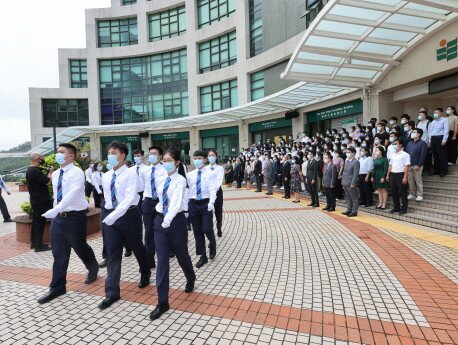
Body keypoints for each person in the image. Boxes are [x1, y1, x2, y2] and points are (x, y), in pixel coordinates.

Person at [38, 143, 99, 304]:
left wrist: (56, 208)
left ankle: (93, 267)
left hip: (75, 217)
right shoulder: (56, 173)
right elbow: (59, 196)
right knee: (59, 253)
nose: (58, 154)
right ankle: (57, 287)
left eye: (61, 152)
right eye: (57, 152)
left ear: (71, 156)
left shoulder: (77, 173)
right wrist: (55, 210)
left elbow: (72, 194)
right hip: (59, 218)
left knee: (79, 246)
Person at [99, 141, 151, 310]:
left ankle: (145, 272)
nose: (110, 155)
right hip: (111, 217)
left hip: (129, 215)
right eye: (108, 152)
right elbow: (107, 199)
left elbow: (129, 197)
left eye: (113, 152)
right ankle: (112, 292)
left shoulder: (131, 174)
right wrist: (107, 214)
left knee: (136, 246)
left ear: (122, 155)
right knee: (113, 253)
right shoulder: (106, 175)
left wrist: (114, 215)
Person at [149, 148, 196, 321]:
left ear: (177, 162)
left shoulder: (181, 180)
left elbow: (176, 202)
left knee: (182, 255)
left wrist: (168, 220)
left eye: (170, 160)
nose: (166, 163)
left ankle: (190, 277)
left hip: (175, 222)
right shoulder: (161, 179)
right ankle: (162, 303)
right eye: (164, 160)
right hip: (160, 222)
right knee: (162, 262)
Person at [186, 150, 217, 268]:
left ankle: (212, 243)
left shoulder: (210, 173)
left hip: (205, 204)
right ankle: (202, 256)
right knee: (197, 231)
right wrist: (186, 207)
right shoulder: (190, 175)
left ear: (204, 160)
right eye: (195, 158)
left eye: (199, 158)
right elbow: (187, 191)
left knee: (207, 228)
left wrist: (212, 202)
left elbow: (213, 189)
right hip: (193, 204)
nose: (197, 160)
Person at [141, 146, 167, 270]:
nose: (151, 156)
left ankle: (165, 253)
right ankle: (149, 260)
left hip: (160, 202)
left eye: (154, 154)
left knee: (161, 230)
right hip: (147, 202)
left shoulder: (165, 170)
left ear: (160, 156)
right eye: (150, 153)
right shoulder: (145, 170)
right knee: (148, 231)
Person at [26, 153, 53, 251]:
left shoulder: (30, 170)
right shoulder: (35, 171)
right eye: (42, 159)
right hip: (40, 201)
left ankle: (35, 243)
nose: (43, 160)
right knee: (39, 223)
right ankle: (38, 246)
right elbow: (48, 182)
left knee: (36, 222)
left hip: (35, 200)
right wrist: (50, 172)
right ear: (38, 159)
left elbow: (41, 181)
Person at [386, 138, 410, 214]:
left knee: (403, 192)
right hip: (393, 174)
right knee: (393, 192)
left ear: (401, 145)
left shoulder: (405, 154)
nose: (394, 145)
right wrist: (387, 175)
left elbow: (406, 166)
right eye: (394, 144)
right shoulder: (393, 155)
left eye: (396, 144)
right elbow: (390, 165)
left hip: (401, 174)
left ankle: (404, 209)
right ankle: (396, 208)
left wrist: (405, 177)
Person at [405, 128, 427, 202]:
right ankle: (412, 193)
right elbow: (406, 154)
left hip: (417, 165)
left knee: (418, 180)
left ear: (419, 134)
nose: (412, 133)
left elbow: (423, 155)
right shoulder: (409, 143)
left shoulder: (422, 143)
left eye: (414, 132)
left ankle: (420, 194)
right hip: (409, 165)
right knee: (410, 180)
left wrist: (419, 164)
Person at [208, 150, 224, 238]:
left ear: (216, 157)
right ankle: (211, 231)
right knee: (209, 212)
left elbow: (219, 180)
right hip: (208, 194)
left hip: (217, 192)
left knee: (218, 212)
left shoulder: (220, 168)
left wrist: (214, 190)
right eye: (209, 155)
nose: (211, 157)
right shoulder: (205, 168)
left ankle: (219, 229)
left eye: (213, 155)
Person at [428, 108, 449, 177]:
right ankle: (436, 170)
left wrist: (444, 140)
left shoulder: (445, 120)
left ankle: (443, 170)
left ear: (441, 113)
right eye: (434, 113)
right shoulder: (433, 121)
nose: (435, 114)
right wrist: (430, 141)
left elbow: (446, 130)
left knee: (442, 155)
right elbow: (431, 132)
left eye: (437, 112)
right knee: (435, 155)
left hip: (440, 138)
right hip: (433, 138)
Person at [341, 147, 360, 217]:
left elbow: (355, 174)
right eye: (347, 152)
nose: (347, 154)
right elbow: (344, 172)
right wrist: (343, 182)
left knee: (354, 198)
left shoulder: (356, 162)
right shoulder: (346, 161)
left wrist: (353, 183)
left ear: (353, 153)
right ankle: (349, 209)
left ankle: (354, 211)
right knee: (348, 198)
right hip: (345, 182)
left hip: (351, 183)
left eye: (349, 152)